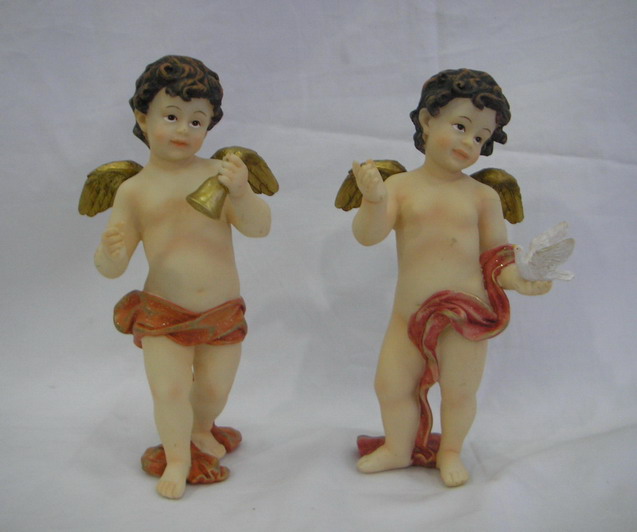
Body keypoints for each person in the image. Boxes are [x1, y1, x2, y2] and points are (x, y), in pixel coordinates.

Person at [350, 69, 551, 487]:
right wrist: (373, 200)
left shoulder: (482, 196)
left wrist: (521, 279)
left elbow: (496, 259)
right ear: (427, 121)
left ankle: (452, 451)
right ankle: (398, 448)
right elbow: (368, 236)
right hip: (408, 316)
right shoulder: (400, 187)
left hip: (466, 317)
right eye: (460, 127)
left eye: (479, 137)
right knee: (391, 385)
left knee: (459, 392)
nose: (467, 143)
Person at [93, 55, 272, 499]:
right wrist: (109, 252)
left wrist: (242, 192)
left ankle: (201, 428)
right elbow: (113, 266)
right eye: (171, 116)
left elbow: (258, 228)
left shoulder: (219, 175)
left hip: (221, 312)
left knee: (212, 390)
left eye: (197, 122)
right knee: (170, 390)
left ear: (210, 126)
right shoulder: (134, 190)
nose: (183, 130)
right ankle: (176, 459)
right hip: (163, 313)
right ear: (143, 118)